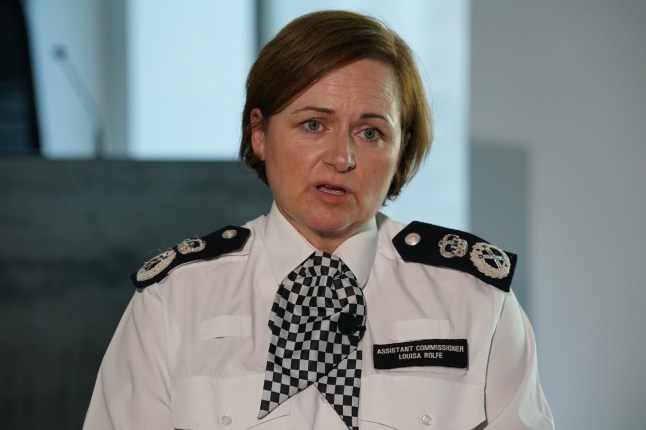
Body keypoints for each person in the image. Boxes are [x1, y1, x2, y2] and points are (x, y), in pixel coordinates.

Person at [83, 10, 554, 430]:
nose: (342, 157)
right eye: (314, 125)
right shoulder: (173, 300)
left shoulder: (475, 300)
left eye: (371, 132)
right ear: (260, 134)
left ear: (401, 152)